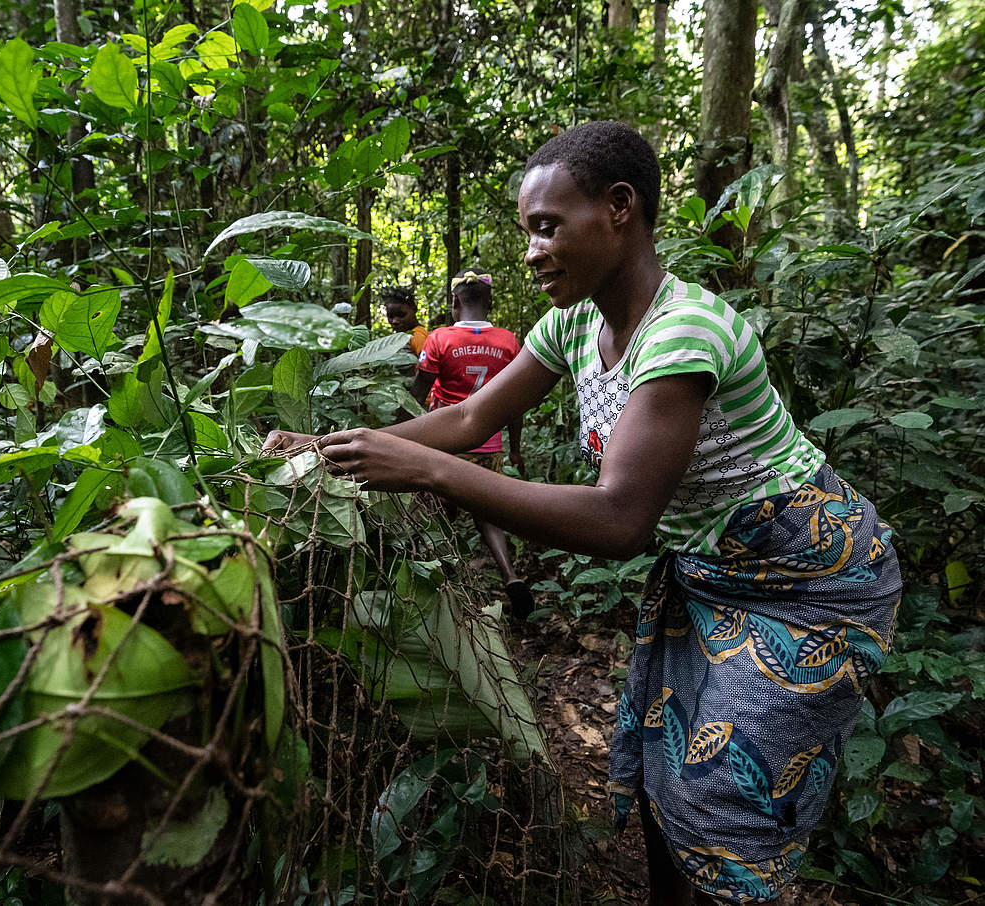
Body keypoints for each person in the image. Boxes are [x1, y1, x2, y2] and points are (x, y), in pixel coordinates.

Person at [264, 121, 902, 904]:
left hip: (805, 580)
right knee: (666, 772)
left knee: (725, 802)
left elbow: (618, 522)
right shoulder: (572, 323)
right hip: (709, 569)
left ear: (619, 209)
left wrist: (429, 472)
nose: (532, 252)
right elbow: (469, 422)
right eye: (528, 232)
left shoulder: (683, 331)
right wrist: (330, 447)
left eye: (547, 227)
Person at [408, 268, 533, 619]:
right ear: (490, 302)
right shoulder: (509, 341)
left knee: (439, 515)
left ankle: (448, 587)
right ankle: (510, 575)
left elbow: (418, 394)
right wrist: (515, 448)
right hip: (489, 444)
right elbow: (514, 402)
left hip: (445, 442)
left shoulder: (439, 339)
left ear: (453, 303)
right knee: (488, 513)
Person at [380, 285, 428, 356]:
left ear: (414, 309)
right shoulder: (403, 335)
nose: (394, 321)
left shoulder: (417, 335)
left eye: (401, 315)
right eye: (390, 316)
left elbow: (426, 363)